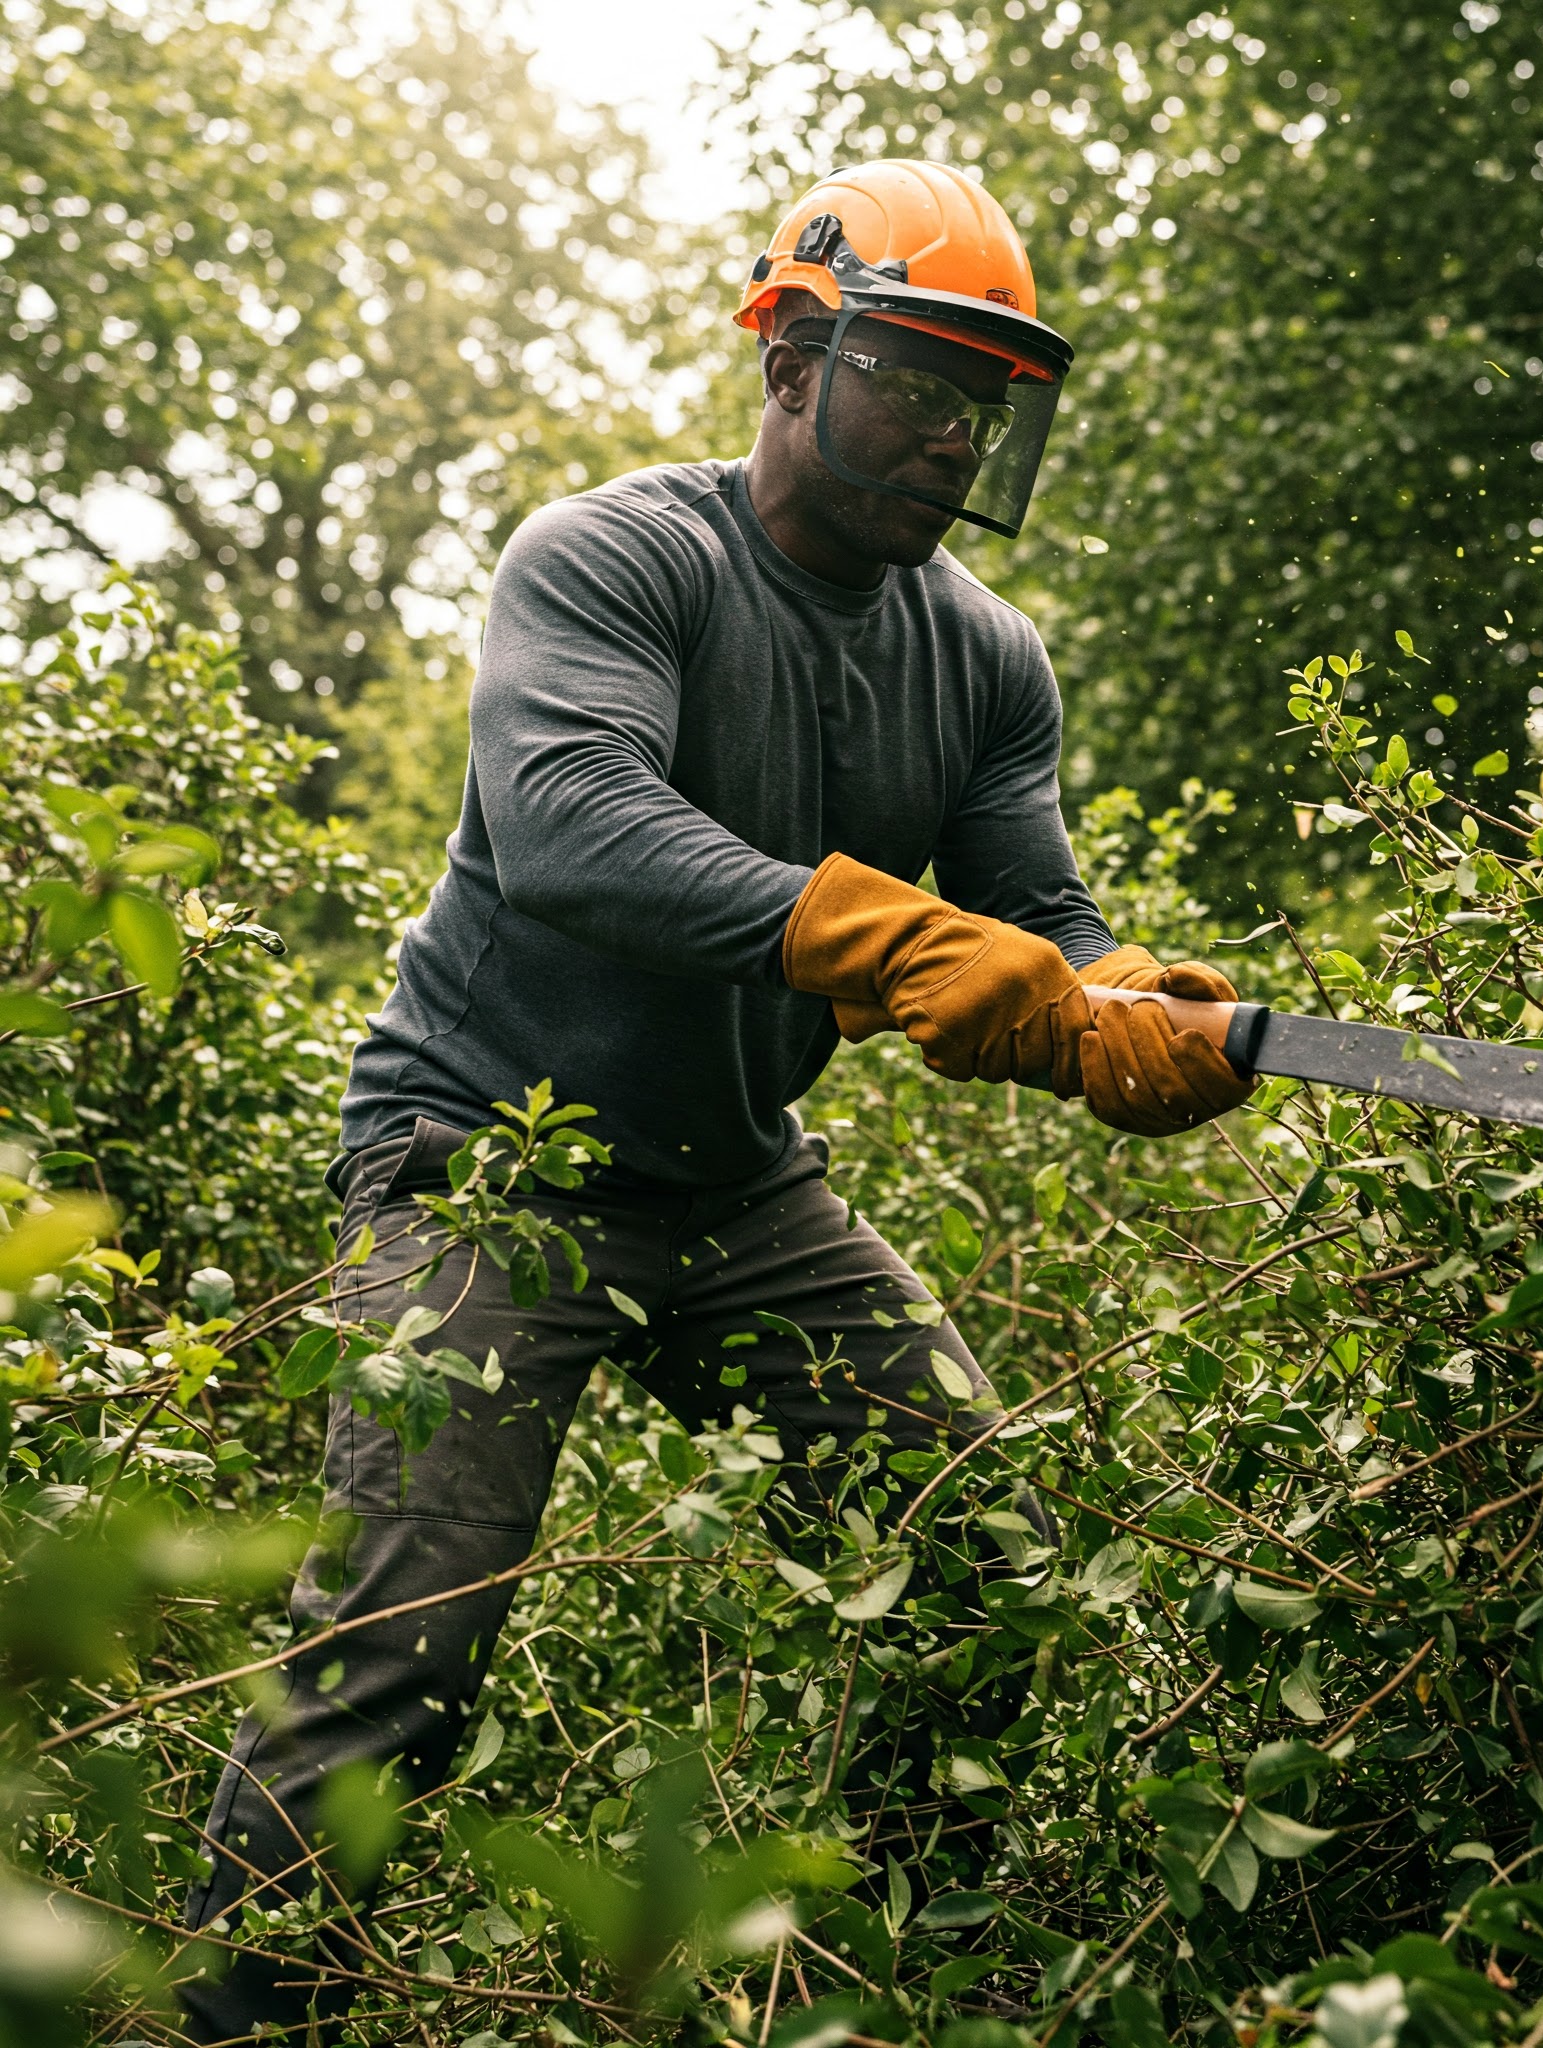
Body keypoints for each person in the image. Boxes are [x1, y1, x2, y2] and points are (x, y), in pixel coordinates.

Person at [178, 158, 1251, 2040]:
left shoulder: (987, 654)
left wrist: (1120, 1002)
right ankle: (236, 2021)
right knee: (394, 1658)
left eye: (983, 400)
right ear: (790, 358)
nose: (951, 432)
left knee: (981, 1565)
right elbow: (573, 828)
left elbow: (1036, 909)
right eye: (914, 382)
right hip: (483, 1171)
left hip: (743, 1188)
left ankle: (897, 1989)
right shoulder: (613, 558)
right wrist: (887, 936)